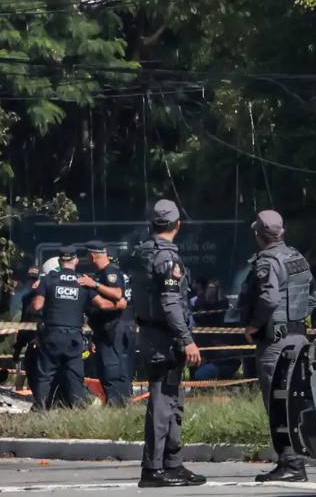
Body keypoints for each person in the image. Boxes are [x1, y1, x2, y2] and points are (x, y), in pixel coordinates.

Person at [239, 210, 316, 483]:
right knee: (296, 400)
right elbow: (313, 296)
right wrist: (295, 319)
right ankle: (297, 459)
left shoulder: (268, 262)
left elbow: (269, 297)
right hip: (299, 338)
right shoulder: (297, 257)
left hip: (276, 342)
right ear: (282, 230)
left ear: (260, 235)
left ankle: (290, 463)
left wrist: (255, 325)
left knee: (277, 402)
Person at [131, 199, 205, 488]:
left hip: (155, 335)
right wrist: (186, 339)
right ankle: (154, 468)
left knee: (173, 402)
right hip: (165, 337)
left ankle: (172, 464)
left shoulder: (144, 252)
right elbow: (171, 302)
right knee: (163, 404)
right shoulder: (166, 258)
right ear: (178, 225)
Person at [29, 246, 117, 410]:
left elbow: (37, 305)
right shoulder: (83, 282)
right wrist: (121, 304)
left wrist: (39, 292)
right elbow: (104, 304)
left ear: (61, 261)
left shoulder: (48, 279)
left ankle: (40, 410)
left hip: (52, 335)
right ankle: (78, 410)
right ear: (76, 260)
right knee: (75, 376)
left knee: (45, 376)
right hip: (74, 337)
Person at [78, 241, 133, 407]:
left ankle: (118, 403)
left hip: (113, 329)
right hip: (104, 330)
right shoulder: (101, 273)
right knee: (105, 368)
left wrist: (93, 284)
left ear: (92, 255)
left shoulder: (110, 272)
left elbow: (117, 294)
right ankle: (115, 401)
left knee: (112, 368)